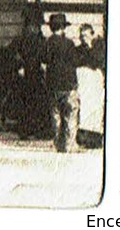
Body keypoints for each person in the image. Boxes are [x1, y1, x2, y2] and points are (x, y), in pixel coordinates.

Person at [40, 12, 80, 153]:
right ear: (63, 27)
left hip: (53, 84)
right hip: (68, 84)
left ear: (52, 28)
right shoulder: (69, 43)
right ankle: (70, 144)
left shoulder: (48, 43)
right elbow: (75, 61)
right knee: (70, 114)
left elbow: (44, 60)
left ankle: (58, 143)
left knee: (56, 115)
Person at [9, 6, 50, 140]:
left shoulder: (25, 40)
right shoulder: (35, 40)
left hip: (31, 74)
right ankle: (32, 129)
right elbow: (15, 55)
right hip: (31, 74)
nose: (34, 28)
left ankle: (28, 129)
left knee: (30, 102)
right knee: (32, 102)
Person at [76, 24, 105, 149]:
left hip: (95, 82)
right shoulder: (79, 50)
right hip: (84, 82)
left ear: (92, 35)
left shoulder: (98, 48)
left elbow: (99, 62)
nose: (84, 39)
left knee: (96, 109)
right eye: (81, 36)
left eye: (86, 36)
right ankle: (84, 138)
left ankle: (96, 139)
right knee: (85, 109)